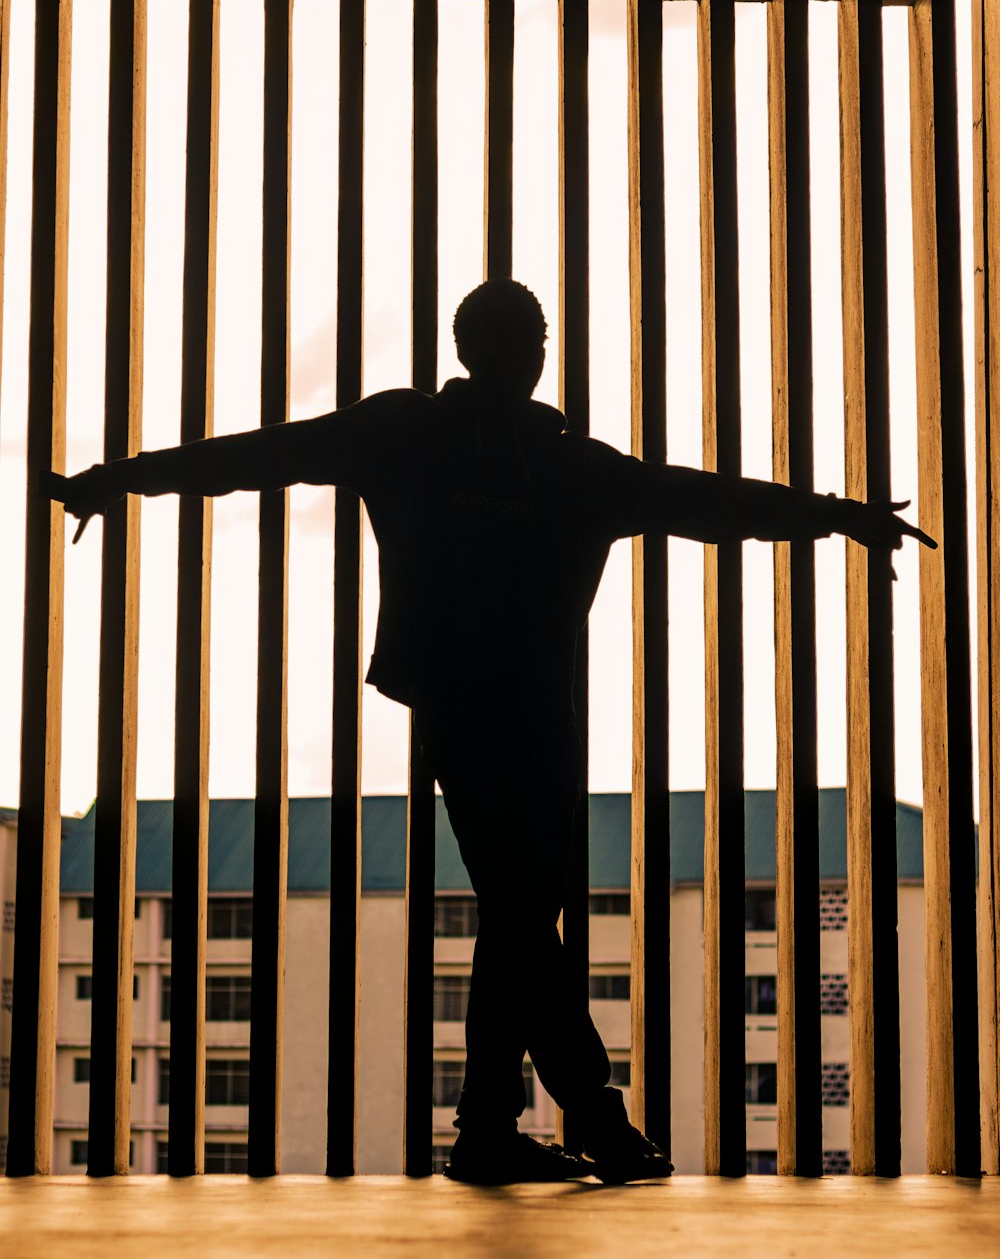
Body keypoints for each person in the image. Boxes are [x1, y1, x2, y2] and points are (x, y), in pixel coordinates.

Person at [45, 277, 934, 1185]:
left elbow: (252, 456)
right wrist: (831, 516)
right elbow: (707, 505)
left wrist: (118, 480)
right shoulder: (558, 467)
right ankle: (579, 1117)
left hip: (475, 714)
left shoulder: (426, 439)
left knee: (519, 920)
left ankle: (493, 1130)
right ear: (515, 349)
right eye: (528, 336)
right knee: (520, 914)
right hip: (526, 718)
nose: (530, 350)